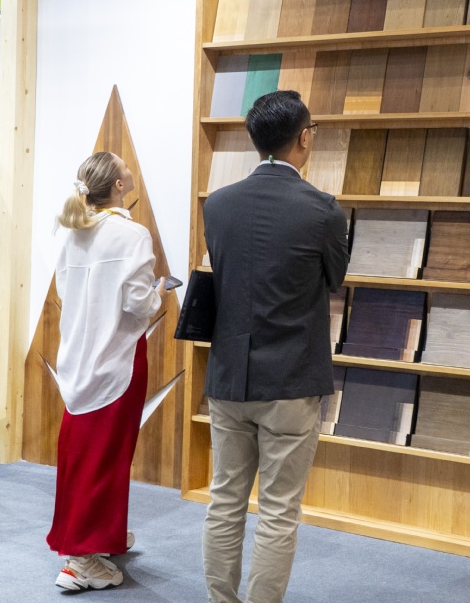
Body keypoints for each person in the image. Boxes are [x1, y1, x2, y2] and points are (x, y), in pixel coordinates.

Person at [201, 90, 350, 603]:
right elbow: (335, 278)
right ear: (304, 138)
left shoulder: (218, 205)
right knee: (279, 510)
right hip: (291, 378)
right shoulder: (324, 211)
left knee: (224, 501)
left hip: (228, 377)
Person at [47, 151, 171, 591]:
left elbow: (67, 292)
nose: (129, 170)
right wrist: (159, 294)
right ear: (119, 185)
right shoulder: (132, 234)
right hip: (117, 359)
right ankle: (81, 560)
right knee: (107, 458)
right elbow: (138, 303)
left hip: (78, 359)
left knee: (84, 455)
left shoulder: (74, 231)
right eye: (124, 167)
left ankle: (97, 538)